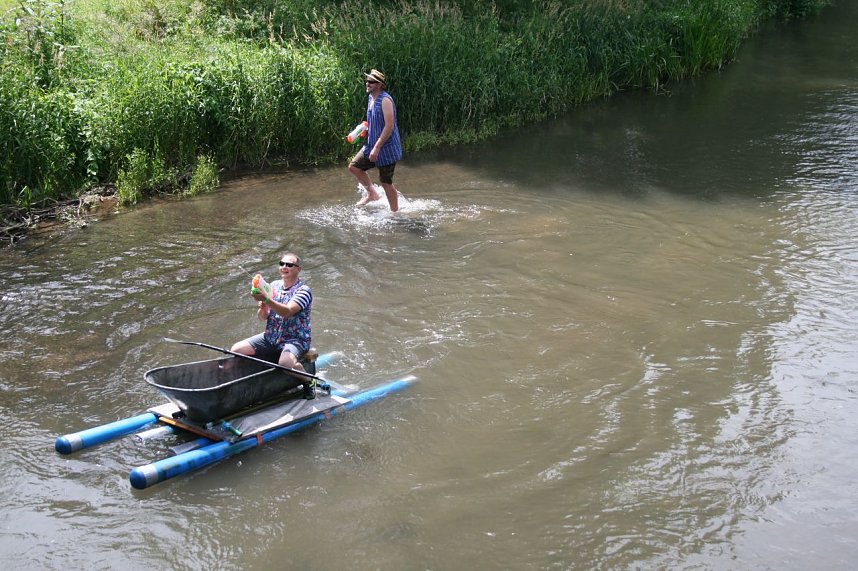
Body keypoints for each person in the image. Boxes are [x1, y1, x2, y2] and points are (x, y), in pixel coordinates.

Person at [231, 252, 312, 378]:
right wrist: (263, 305)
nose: (284, 267)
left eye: (289, 265)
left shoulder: (304, 291)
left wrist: (266, 299)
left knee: (285, 364)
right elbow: (262, 317)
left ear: (298, 269)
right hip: (271, 336)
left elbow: (287, 312)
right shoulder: (273, 286)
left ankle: (308, 380)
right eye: (282, 264)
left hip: (295, 339)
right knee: (236, 350)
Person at [348, 68, 403, 212]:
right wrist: (364, 129)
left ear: (379, 85)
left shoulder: (385, 100)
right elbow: (374, 120)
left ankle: (394, 213)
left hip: (387, 148)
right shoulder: (371, 98)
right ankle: (372, 194)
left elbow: (389, 126)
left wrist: (377, 147)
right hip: (371, 144)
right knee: (354, 167)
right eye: (367, 81)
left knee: (386, 182)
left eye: (371, 82)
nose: (368, 83)